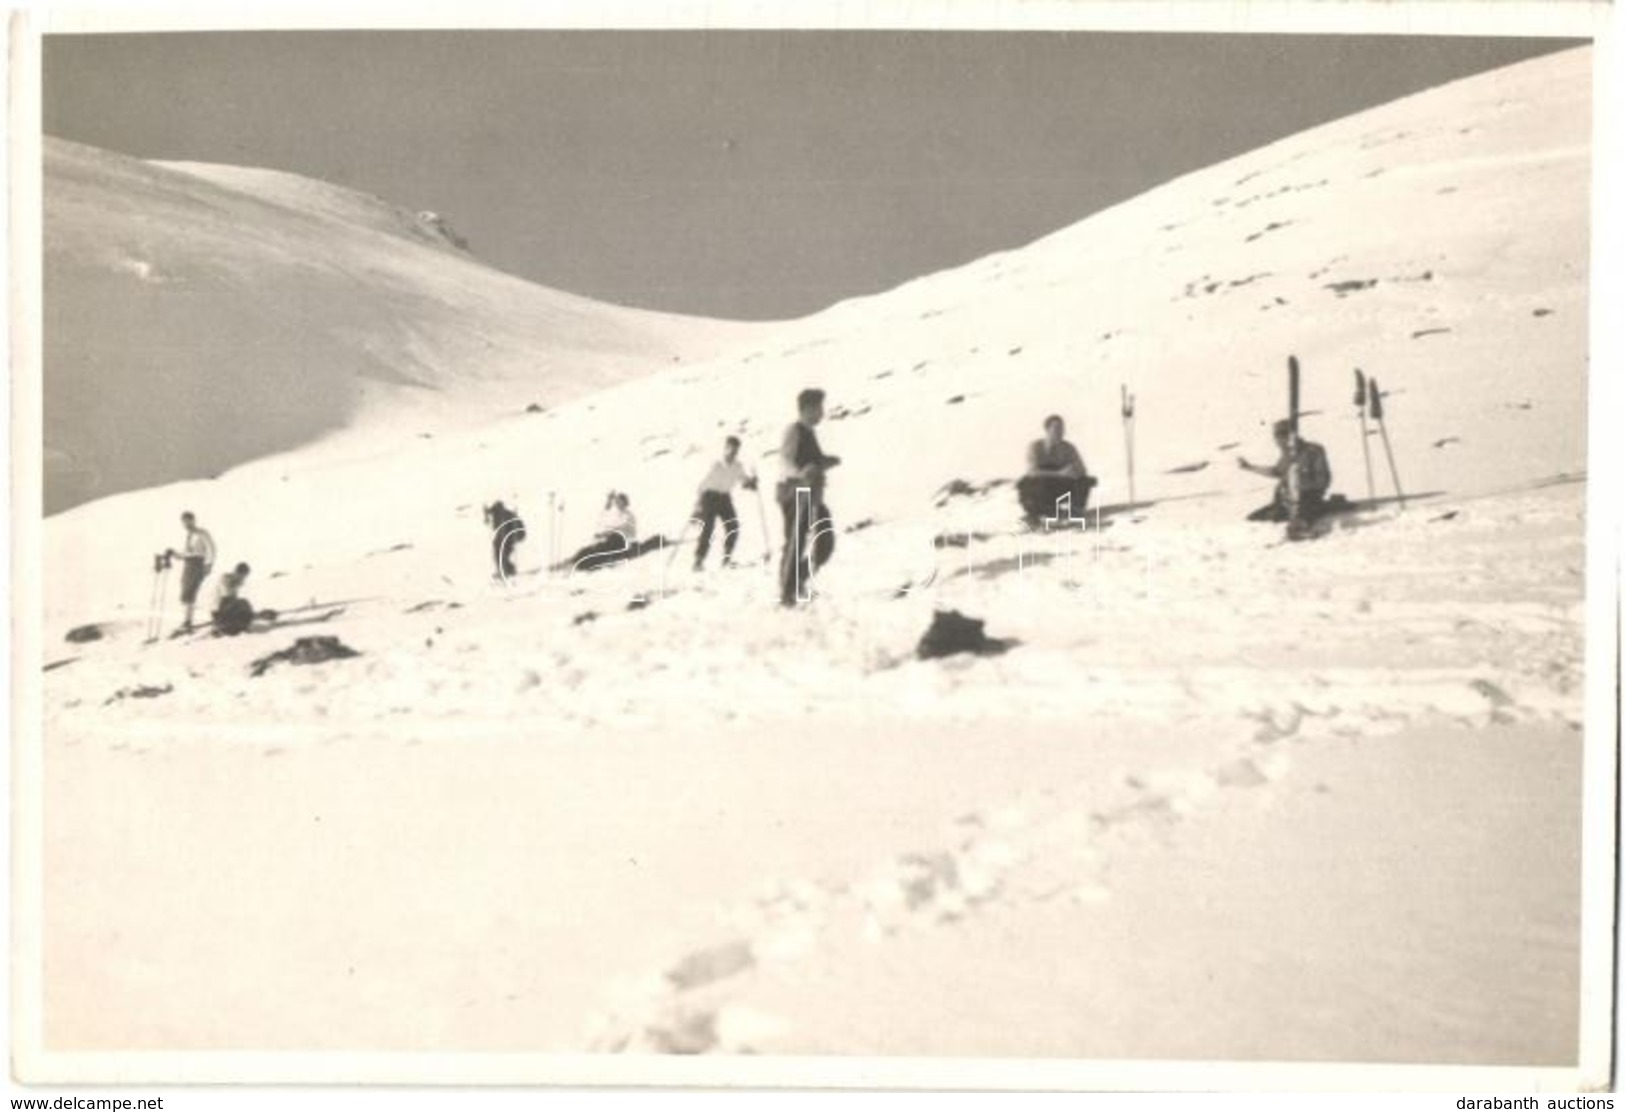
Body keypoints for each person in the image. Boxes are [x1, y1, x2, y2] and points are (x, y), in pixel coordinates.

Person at [777, 388, 841, 607]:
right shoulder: (793, 430)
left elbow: (813, 461)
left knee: (825, 542)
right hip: (794, 491)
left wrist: (826, 461)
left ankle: (798, 580)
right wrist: (801, 473)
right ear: (807, 409)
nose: (821, 413)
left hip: (812, 494)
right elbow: (785, 460)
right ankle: (787, 592)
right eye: (818, 408)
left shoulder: (810, 433)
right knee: (796, 541)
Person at [1239, 419, 1333, 523]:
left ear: (1288, 436)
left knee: (1299, 525)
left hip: (1307, 503)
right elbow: (1276, 472)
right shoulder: (1287, 454)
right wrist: (1250, 467)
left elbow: (1322, 481)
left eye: (1278, 438)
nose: (1276, 442)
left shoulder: (1313, 450)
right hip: (1285, 503)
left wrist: (1299, 486)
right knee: (1253, 519)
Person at [692, 436, 758, 571]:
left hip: (724, 498)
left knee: (733, 527)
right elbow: (702, 485)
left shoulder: (738, 466)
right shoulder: (716, 464)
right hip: (709, 497)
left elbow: (744, 481)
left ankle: (726, 560)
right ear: (725, 448)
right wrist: (697, 506)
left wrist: (752, 483)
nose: (733, 452)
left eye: (735, 450)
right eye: (730, 449)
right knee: (708, 530)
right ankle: (698, 562)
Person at [1018, 415, 1097, 528]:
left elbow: (1082, 469)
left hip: (1061, 487)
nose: (1060, 432)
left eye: (1062, 429)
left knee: (1086, 481)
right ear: (1047, 430)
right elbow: (1032, 471)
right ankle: (1035, 515)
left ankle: (1075, 511)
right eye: (1056, 429)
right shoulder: (1036, 447)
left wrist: (1073, 472)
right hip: (1043, 488)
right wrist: (1058, 474)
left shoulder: (1068, 448)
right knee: (1025, 483)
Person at [561, 490, 640, 573]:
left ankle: (581, 565)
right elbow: (606, 518)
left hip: (621, 541)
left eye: (620, 502)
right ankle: (572, 561)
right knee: (589, 549)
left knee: (599, 550)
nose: (618, 504)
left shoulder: (628, 515)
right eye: (617, 502)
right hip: (612, 539)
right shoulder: (617, 514)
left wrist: (605, 534)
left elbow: (620, 528)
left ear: (625, 503)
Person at [164, 511, 216, 632]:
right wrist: (174, 553)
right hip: (188, 564)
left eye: (188, 521)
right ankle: (186, 620)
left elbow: (211, 548)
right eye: (184, 522)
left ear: (193, 520)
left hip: (198, 564)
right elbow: (185, 554)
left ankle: (188, 622)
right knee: (185, 591)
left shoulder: (202, 533)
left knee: (189, 591)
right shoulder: (188, 536)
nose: (186, 524)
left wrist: (209, 564)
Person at [484, 500, 527, 580]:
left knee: (500, 551)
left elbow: (505, 528)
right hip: (509, 535)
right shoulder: (500, 514)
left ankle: (506, 570)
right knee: (499, 550)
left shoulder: (504, 516)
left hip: (513, 535)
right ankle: (508, 569)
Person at [211, 562, 255, 636]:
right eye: (243, 576)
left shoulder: (234, 581)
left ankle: (240, 625)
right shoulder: (226, 578)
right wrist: (236, 584)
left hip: (225, 608)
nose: (243, 579)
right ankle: (222, 625)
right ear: (239, 573)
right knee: (243, 602)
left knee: (242, 605)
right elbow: (226, 596)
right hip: (218, 610)